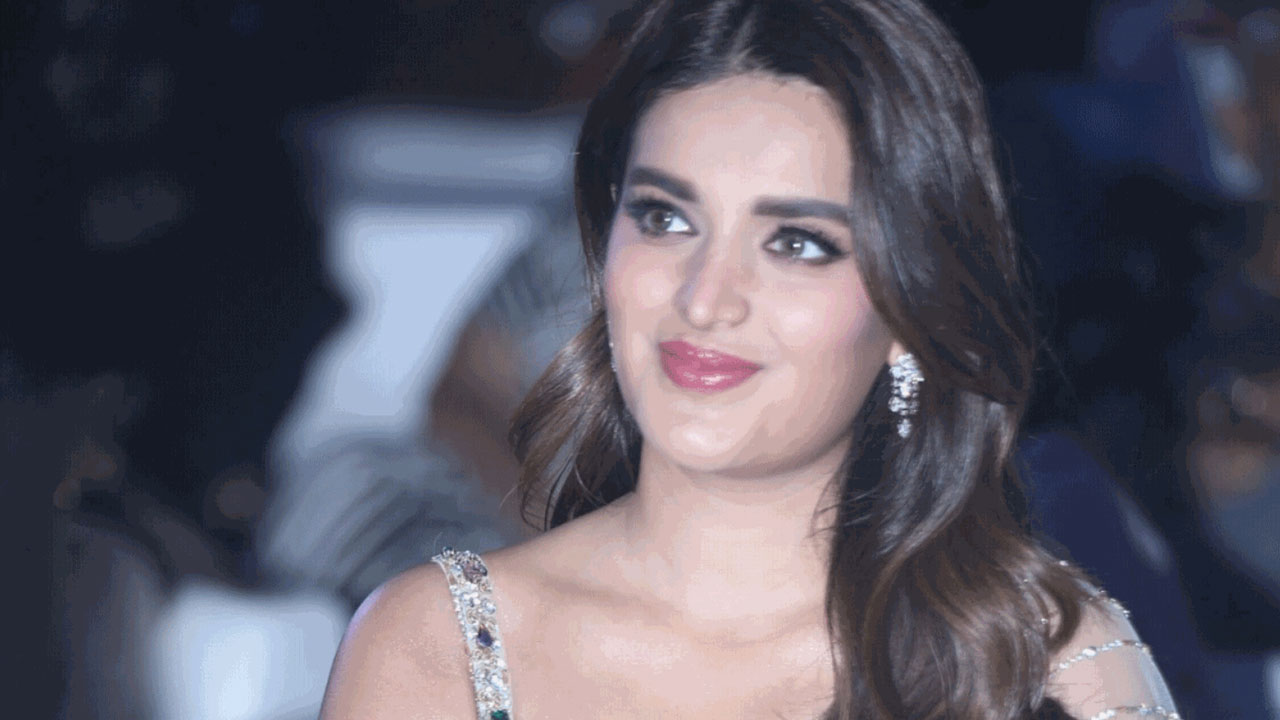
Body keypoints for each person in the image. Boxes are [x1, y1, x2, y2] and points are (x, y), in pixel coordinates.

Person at [318, 0, 1182, 718]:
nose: (705, 298)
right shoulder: (440, 646)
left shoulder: (1048, 660)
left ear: (909, 309)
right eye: (666, 218)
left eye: (796, 242)